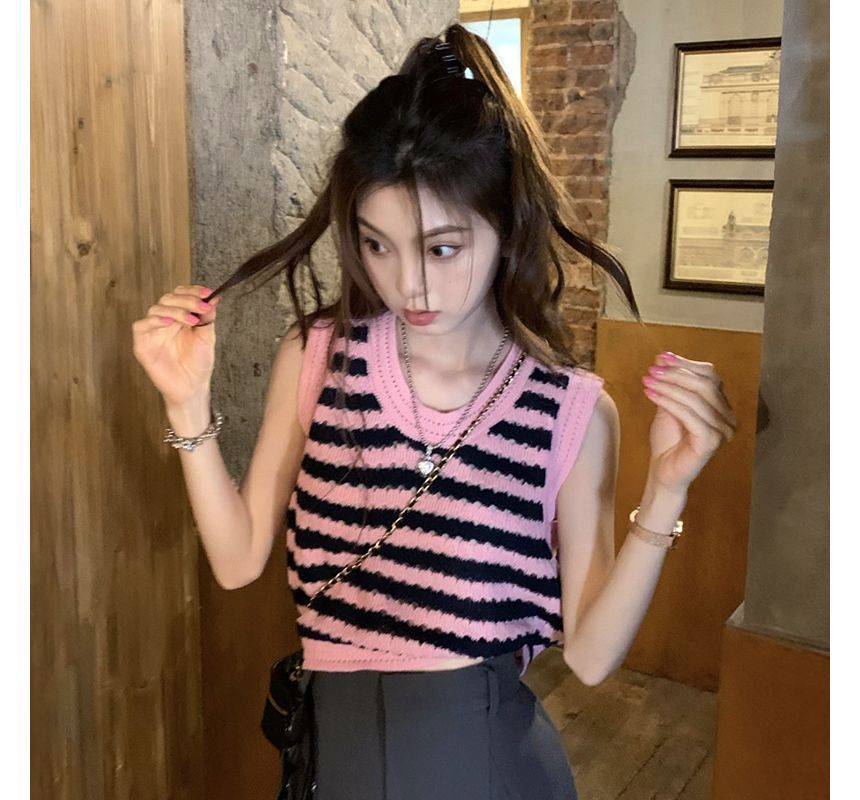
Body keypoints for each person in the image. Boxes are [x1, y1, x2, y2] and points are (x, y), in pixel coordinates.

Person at [131, 23, 737, 800]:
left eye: (442, 248)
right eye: (376, 245)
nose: (407, 284)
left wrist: (669, 490)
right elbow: (239, 558)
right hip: (336, 762)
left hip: (490, 771)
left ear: (505, 225)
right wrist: (187, 403)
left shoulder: (569, 409)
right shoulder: (319, 355)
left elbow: (589, 657)